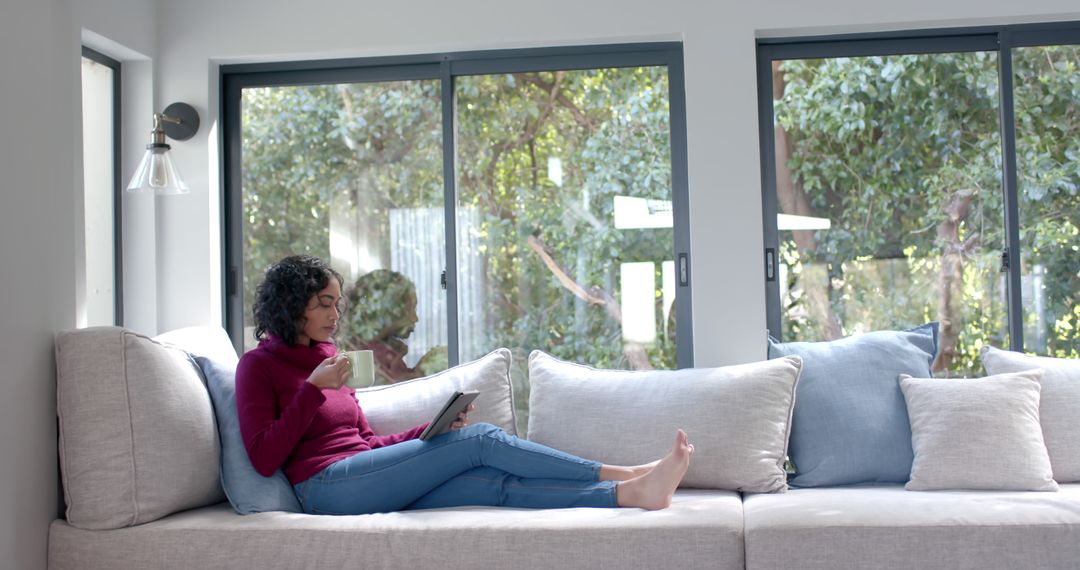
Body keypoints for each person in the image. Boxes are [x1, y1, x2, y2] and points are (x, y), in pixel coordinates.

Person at [236, 254, 693, 516]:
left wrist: (433, 431)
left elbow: (367, 442)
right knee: (481, 440)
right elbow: (263, 457)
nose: (336, 314)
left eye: (338, 303)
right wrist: (312, 390)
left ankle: (631, 494)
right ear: (294, 305)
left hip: (366, 473)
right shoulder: (259, 367)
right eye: (324, 303)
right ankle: (622, 472)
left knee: (491, 483)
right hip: (325, 489)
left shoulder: (330, 357)